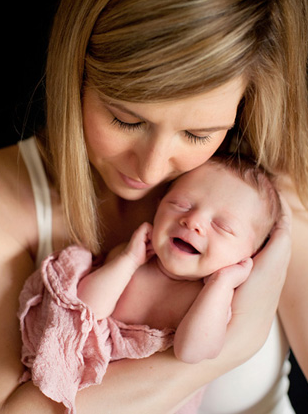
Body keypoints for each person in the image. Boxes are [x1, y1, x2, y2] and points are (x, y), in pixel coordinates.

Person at [0, 0, 308, 413]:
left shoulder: (265, 200)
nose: (150, 168)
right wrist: (228, 350)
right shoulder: (0, 191)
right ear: (77, 73)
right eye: (126, 120)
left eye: (197, 133)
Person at [17, 156, 280, 413]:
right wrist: (128, 261)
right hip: (87, 391)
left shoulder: (212, 298)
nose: (194, 221)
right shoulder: (133, 258)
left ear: (249, 256)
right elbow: (84, 309)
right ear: (158, 206)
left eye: (222, 226)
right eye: (181, 204)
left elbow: (191, 352)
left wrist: (221, 284)